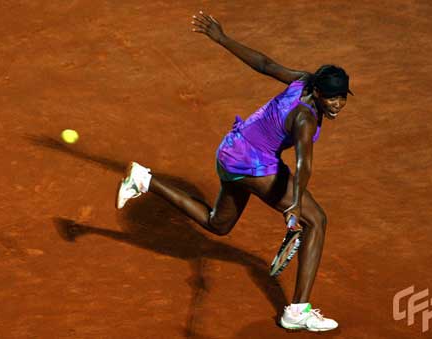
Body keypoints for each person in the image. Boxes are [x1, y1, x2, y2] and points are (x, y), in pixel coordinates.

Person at [115, 11, 352, 332]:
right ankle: (297, 311)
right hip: (253, 163)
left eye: (342, 99)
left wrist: (222, 38)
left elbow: (265, 64)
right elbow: (303, 163)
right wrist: (295, 203)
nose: (337, 105)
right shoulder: (306, 119)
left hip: (231, 149)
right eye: (333, 99)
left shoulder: (302, 80)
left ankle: (144, 179)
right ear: (320, 95)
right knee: (317, 220)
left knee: (218, 223)